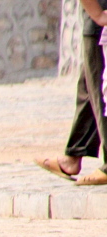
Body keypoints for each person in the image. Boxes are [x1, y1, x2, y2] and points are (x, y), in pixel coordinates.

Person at [35, 0, 107, 185]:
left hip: (100, 22)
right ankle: (73, 156)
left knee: (100, 92)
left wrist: (97, 14)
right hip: (98, 19)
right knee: (88, 87)